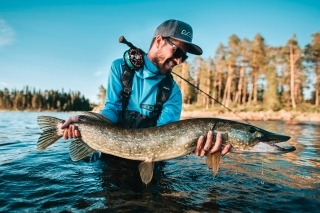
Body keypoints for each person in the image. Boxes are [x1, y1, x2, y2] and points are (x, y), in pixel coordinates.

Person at [61, 19, 230, 158]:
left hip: (153, 159)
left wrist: (195, 147)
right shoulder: (120, 68)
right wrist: (84, 121)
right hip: (112, 153)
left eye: (183, 57)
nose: (179, 61)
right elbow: (112, 109)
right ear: (159, 41)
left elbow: (167, 136)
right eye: (177, 52)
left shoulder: (173, 93)